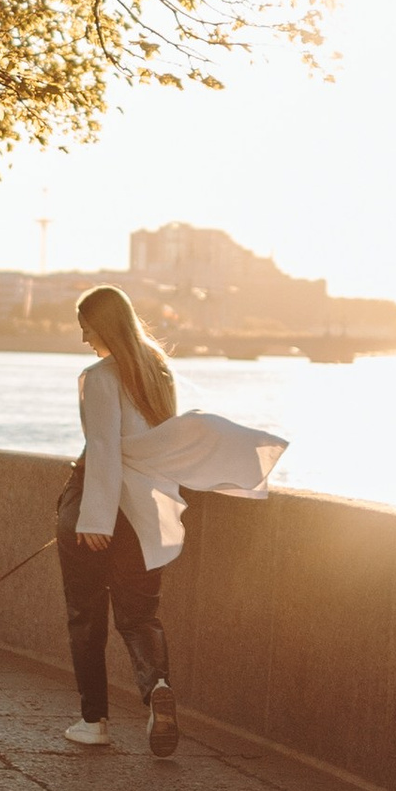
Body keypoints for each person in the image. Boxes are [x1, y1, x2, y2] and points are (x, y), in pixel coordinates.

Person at [61, 286, 288, 755]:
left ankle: (94, 721)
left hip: (99, 509)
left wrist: (95, 519)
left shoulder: (99, 377)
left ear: (101, 325)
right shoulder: (158, 368)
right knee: (140, 616)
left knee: (86, 615)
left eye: (86, 326)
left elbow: (104, 449)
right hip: (148, 513)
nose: (84, 338)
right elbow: (156, 441)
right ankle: (157, 687)